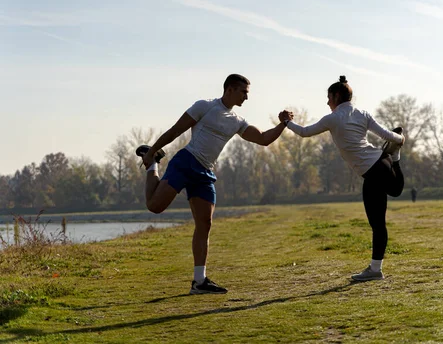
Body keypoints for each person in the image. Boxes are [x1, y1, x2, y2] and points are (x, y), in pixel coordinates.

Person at [136, 74, 288, 295]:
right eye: (244, 92)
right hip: (186, 162)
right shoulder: (204, 107)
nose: (247, 96)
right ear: (230, 90)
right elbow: (175, 130)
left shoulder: (237, 121)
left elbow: (263, 138)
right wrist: (150, 153)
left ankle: (199, 281)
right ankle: (154, 166)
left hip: (205, 172)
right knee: (155, 207)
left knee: (205, 224)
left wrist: (282, 124)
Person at [279, 75, 405, 282]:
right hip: (380, 162)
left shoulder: (333, 118)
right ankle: (396, 157)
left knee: (380, 220)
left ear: (337, 96)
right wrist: (400, 139)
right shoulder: (362, 113)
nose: (327, 102)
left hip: (373, 170)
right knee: (392, 198)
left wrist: (286, 122)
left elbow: (303, 132)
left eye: (328, 97)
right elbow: (387, 135)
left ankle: (375, 270)